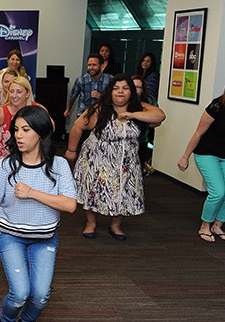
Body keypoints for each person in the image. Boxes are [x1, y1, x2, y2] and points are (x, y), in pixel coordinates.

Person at [0, 105, 77, 322]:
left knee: (41, 295)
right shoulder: (5, 165)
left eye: (26, 130)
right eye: (16, 130)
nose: (18, 135)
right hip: (10, 235)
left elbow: (70, 205)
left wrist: (31, 193)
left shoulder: (59, 165)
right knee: (20, 292)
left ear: (41, 133)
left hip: (44, 237)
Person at [65, 74, 165, 240]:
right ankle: (91, 224)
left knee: (124, 192)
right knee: (94, 191)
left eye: (125, 88)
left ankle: (115, 226)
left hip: (127, 163)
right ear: (110, 91)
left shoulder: (139, 108)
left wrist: (131, 115)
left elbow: (160, 116)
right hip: (98, 159)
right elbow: (77, 126)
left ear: (131, 92)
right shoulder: (99, 109)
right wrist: (71, 149)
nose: (120, 92)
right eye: (116, 88)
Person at [177, 71, 225, 243]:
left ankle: (218, 225)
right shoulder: (217, 106)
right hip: (207, 153)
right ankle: (205, 225)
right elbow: (198, 133)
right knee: (218, 192)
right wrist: (185, 156)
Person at [64, 54, 112, 121]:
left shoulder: (110, 80)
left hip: (102, 114)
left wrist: (101, 97)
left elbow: (114, 99)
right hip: (84, 114)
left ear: (102, 66)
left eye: (94, 65)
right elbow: (73, 96)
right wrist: (68, 110)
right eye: (89, 65)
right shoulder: (81, 80)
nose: (91, 67)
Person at [131, 74, 158, 175]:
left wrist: (144, 124)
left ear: (142, 89)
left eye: (138, 87)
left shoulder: (149, 101)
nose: (135, 89)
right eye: (133, 86)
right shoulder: (122, 100)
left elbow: (157, 120)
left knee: (138, 171)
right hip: (126, 141)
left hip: (142, 141)